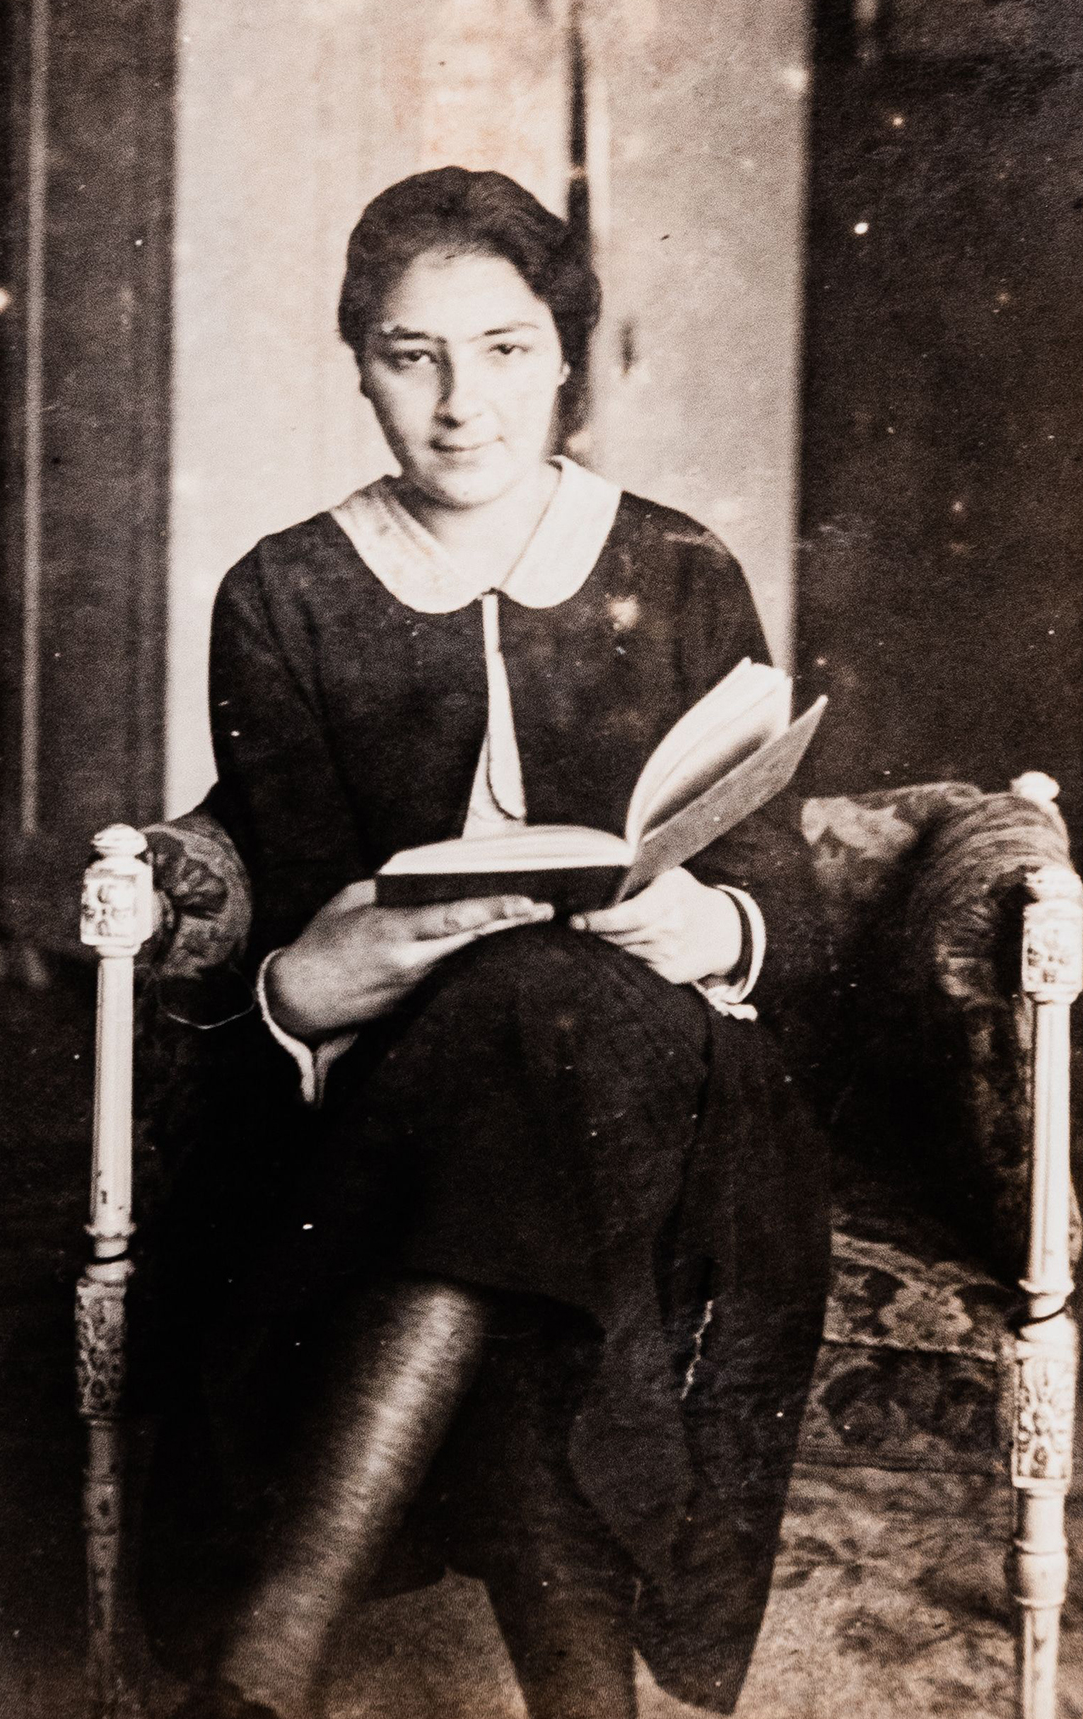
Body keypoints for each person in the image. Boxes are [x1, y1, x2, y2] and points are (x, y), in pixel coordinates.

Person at [144, 166, 830, 1719]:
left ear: (565, 356)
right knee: (513, 1119)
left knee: (532, 1027)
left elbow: (781, 902)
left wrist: (706, 919)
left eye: (506, 350)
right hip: (402, 1103)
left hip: (671, 1087)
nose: (462, 403)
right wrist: (299, 990)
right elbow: (301, 903)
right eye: (413, 355)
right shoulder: (287, 593)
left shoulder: (677, 568)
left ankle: (269, 1659)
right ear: (359, 366)